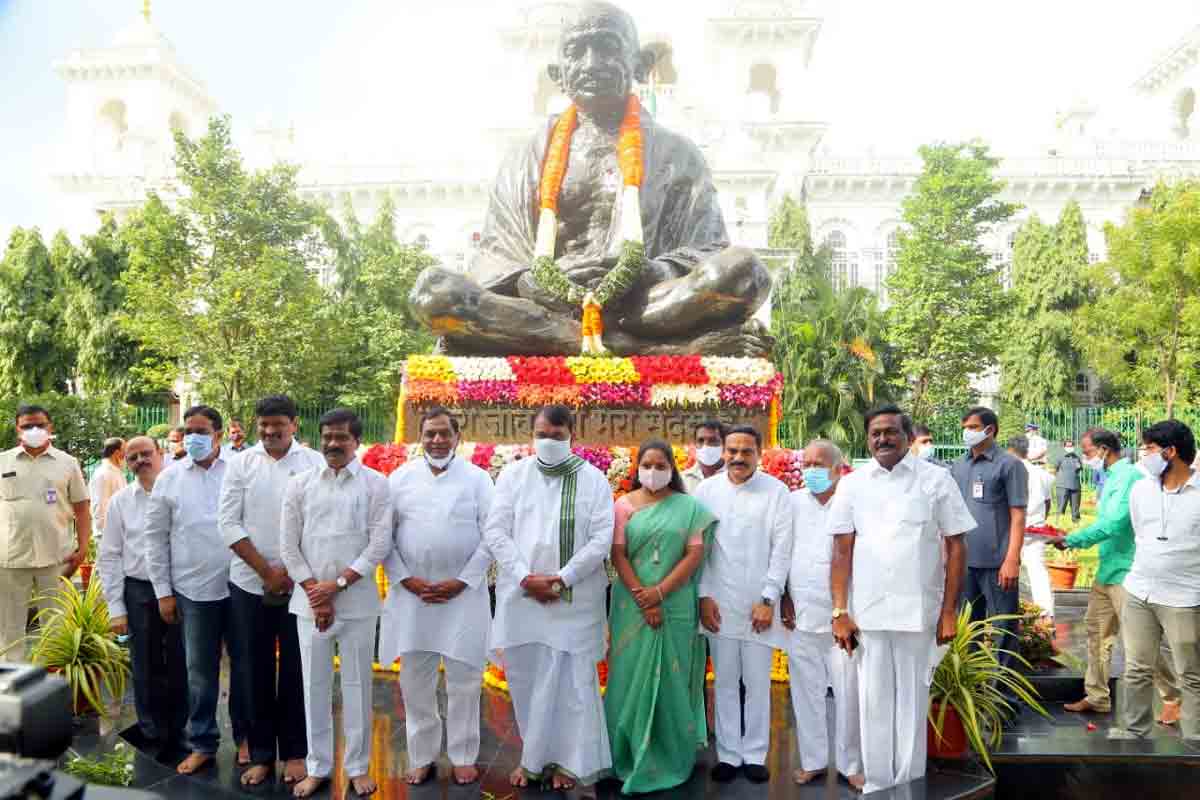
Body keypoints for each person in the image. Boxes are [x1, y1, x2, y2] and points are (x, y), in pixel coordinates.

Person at [408, 2, 771, 357]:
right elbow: (496, 254)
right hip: (543, 308)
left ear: (640, 65)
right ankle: (649, 351)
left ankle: (594, 341)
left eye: (607, 47)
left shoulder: (678, 154)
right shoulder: (524, 157)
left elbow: (708, 248)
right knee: (432, 292)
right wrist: (528, 281)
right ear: (559, 74)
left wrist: (654, 270)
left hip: (646, 304)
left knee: (745, 273)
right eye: (576, 51)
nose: (591, 64)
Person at [830, 404, 975, 794]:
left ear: (908, 437)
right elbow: (842, 551)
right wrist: (840, 610)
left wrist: (948, 612)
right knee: (872, 704)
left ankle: (908, 786)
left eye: (891, 431)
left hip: (919, 614)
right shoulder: (853, 484)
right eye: (875, 432)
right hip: (869, 615)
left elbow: (956, 546)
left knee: (911, 705)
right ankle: (877, 787)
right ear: (867, 439)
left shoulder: (936, 480)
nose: (882, 439)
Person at [484, 404, 614, 791]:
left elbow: (600, 538)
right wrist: (526, 579)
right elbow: (496, 531)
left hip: (573, 599)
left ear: (571, 435)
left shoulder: (593, 480)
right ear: (532, 434)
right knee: (526, 679)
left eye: (557, 436)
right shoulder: (513, 475)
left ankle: (571, 763)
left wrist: (562, 579)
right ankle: (533, 758)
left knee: (573, 684)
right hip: (522, 596)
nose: (549, 442)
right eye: (542, 435)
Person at [280, 409, 390, 799]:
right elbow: (288, 546)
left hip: (357, 603)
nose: (332, 443)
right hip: (309, 604)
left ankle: (358, 767)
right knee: (314, 686)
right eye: (327, 436)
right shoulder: (300, 485)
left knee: (359, 686)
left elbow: (379, 545)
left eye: (341, 437)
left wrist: (338, 585)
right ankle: (318, 767)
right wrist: (315, 591)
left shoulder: (376, 485)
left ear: (356, 441)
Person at [381, 407, 494, 786]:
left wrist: (463, 580)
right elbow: (384, 539)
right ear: (420, 436)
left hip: (463, 596)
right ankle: (422, 755)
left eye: (444, 433)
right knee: (415, 681)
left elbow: (492, 535)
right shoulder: (399, 480)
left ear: (457, 436)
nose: (437, 440)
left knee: (465, 679)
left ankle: (463, 755)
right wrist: (405, 579)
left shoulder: (478, 480)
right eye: (430, 433)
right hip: (413, 597)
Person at [218, 395, 323, 787]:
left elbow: (318, 522)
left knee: (299, 668)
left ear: (294, 424)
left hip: (300, 584)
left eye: (278, 424)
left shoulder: (312, 464)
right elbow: (228, 523)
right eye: (263, 425)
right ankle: (261, 754)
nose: (269, 431)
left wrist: (293, 572)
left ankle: (296, 752)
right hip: (249, 582)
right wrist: (266, 570)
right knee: (252, 668)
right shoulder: (240, 464)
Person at [605, 439, 715, 794]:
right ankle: (625, 752)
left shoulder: (688, 506)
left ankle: (671, 754)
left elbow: (694, 554)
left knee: (674, 674)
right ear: (638, 468)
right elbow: (618, 554)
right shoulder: (623, 505)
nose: (653, 471)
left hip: (676, 603)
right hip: (631, 604)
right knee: (627, 673)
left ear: (672, 468)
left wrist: (660, 593)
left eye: (660, 464)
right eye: (647, 464)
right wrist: (645, 598)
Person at [695, 425, 793, 784]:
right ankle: (728, 755)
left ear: (759, 452)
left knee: (756, 682)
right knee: (723, 682)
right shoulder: (706, 491)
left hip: (759, 605)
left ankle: (754, 754)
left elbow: (782, 550)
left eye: (745, 451)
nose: (737, 457)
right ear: (724, 452)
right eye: (731, 450)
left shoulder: (776, 492)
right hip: (718, 603)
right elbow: (699, 550)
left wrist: (769, 598)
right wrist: (704, 595)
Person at [144, 405, 231, 775]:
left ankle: (247, 741)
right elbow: (154, 537)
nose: (193, 437)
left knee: (245, 667)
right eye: (188, 430)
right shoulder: (170, 478)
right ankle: (202, 742)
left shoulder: (240, 470)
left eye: (201, 430)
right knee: (199, 671)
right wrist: (163, 591)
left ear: (219, 435)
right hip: (192, 590)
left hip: (242, 586)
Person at [97, 436, 187, 762]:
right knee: (144, 664)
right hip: (138, 590)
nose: (140, 461)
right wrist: (115, 608)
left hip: (180, 589)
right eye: (132, 457)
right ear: (126, 461)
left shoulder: (180, 491)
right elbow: (109, 556)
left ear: (160, 454)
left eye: (146, 454)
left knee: (181, 662)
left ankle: (181, 731)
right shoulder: (121, 501)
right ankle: (151, 733)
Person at [780, 439, 863, 789]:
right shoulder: (792, 501)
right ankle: (812, 761)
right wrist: (783, 595)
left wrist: (844, 610)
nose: (811, 469)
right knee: (805, 690)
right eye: (807, 463)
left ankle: (851, 765)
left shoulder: (852, 501)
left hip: (843, 615)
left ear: (837, 468)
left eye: (820, 463)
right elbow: (780, 549)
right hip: (799, 612)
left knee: (847, 692)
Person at [1117, 420, 1200, 741]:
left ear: (1171, 451)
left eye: (1149, 448)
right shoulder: (1141, 488)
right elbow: (1141, 532)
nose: (1143, 455)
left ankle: (1194, 741)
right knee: (1137, 668)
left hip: (1184, 596)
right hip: (1139, 591)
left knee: (1191, 675)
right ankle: (1135, 735)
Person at [1055, 428, 1143, 715]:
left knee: (1140, 640)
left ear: (1105, 449)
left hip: (1127, 572)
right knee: (1096, 634)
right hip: (1107, 569)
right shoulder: (1110, 478)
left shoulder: (1129, 476)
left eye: (1088, 451)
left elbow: (1115, 524)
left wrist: (1071, 539)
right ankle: (1096, 696)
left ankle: (1170, 697)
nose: (1085, 457)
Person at [0, 405, 91, 662]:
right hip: (9, 560)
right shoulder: (2, 461)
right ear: (17, 430)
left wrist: (83, 548)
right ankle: (10, 691)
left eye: (39, 424)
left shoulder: (67, 463)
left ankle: (51, 689)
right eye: (27, 426)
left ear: (50, 428)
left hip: (57, 558)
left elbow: (82, 509)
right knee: (8, 631)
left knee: (57, 628)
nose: (34, 430)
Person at [951, 407, 1027, 674]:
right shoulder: (959, 466)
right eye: (965, 426)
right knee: (966, 632)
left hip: (998, 566)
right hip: (965, 564)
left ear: (990, 430)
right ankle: (971, 696)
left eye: (972, 427)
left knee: (1003, 635)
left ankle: (1003, 706)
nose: (966, 432)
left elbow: (1018, 517)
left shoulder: (1010, 465)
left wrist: (1012, 560)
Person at [1008, 436, 1056, 618]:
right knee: (1038, 572)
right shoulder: (1041, 474)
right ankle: (1046, 614)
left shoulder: (1008, 469)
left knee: (1007, 571)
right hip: (1034, 529)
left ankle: (1008, 612)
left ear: (1010, 451)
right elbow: (1047, 502)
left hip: (1012, 529)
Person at [89, 437, 126, 536]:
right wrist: (103, 532)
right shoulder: (103, 473)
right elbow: (99, 505)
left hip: (118, 532)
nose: (126, 454)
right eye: (124, 450)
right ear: (117, 453)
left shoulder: (117, 472)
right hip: (106, 534)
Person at [682, 420, 726, 493]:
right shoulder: (683, 479)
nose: (706, 446)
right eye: (700, 440)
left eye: (712, 440)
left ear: (724, 444)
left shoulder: (735, 477)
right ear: (695, 444)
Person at [1054, 440, 1083, 524]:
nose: (1070, 448)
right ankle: (1058, 523)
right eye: (1068, 446)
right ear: (1064, 447)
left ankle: (1076, 522)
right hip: (1062, 485)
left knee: (1075, 507)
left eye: (1071, 446)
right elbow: (1055, 469)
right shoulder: (1059, 456)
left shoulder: (1077, 457)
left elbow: (1080, 468)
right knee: (1061, 506)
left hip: (1075, 485)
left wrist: (1078, 465)